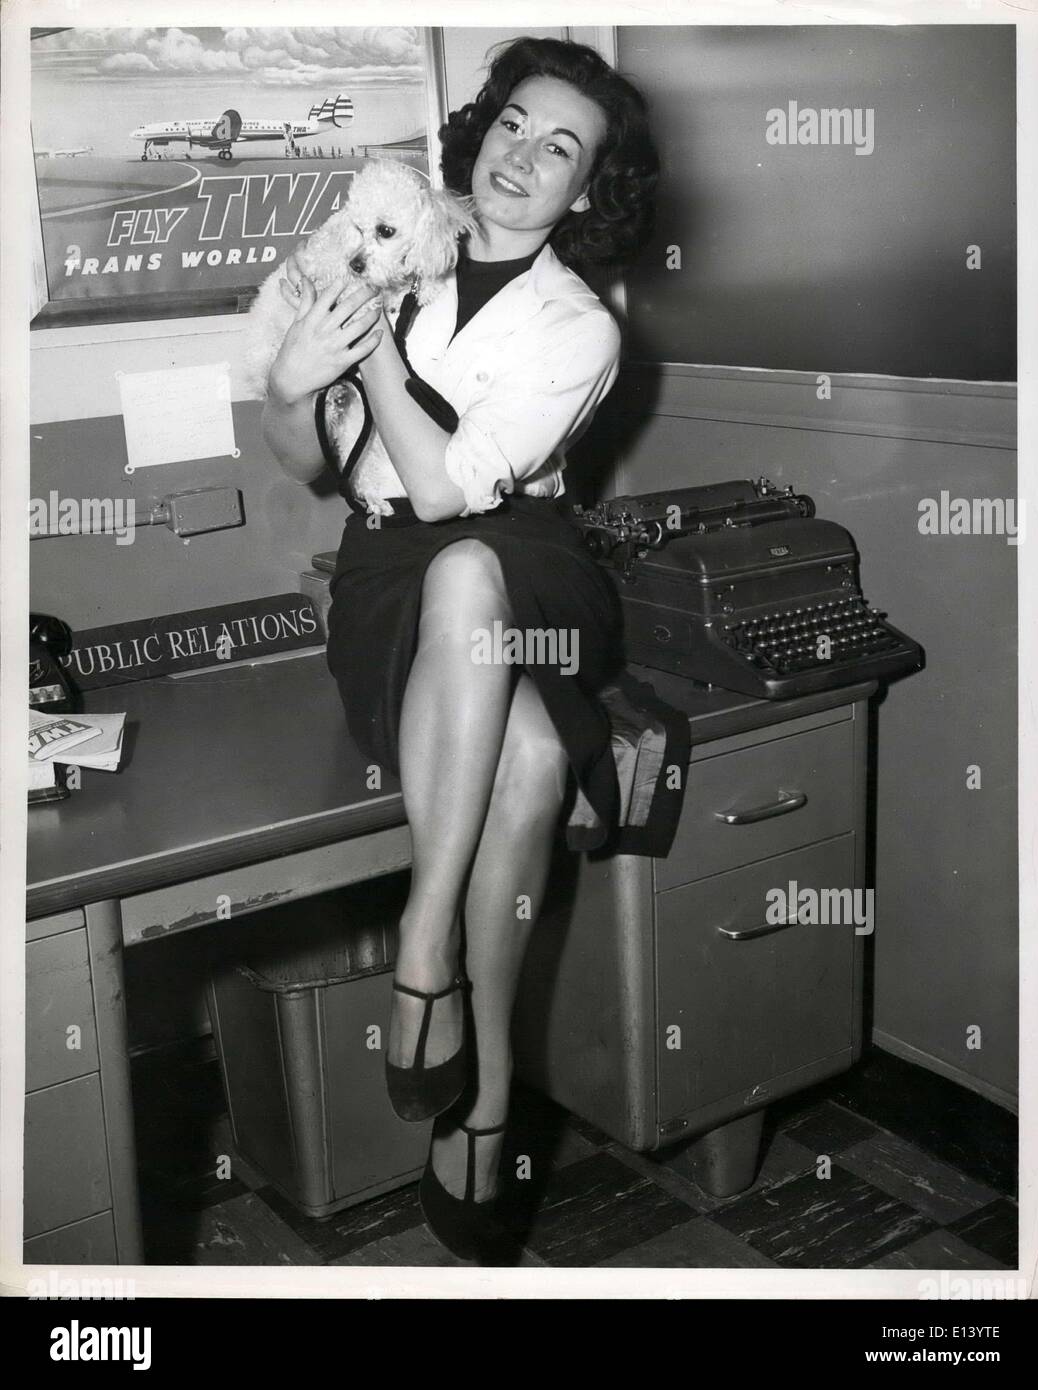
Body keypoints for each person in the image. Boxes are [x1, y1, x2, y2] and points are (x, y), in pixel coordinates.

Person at [262, 36, 659, 1263]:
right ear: (478, 132)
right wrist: (293, 383)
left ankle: (421, 950)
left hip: (525, 562)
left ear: (586, 189)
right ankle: (486, 1104)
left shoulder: (581, 329)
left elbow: (449, 495)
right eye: (511, 126)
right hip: (386, 576)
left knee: (476, 562)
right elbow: (310, 459)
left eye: (562, 149)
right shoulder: (393, 239)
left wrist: (371, 341)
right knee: (530, 769)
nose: (523, 159)